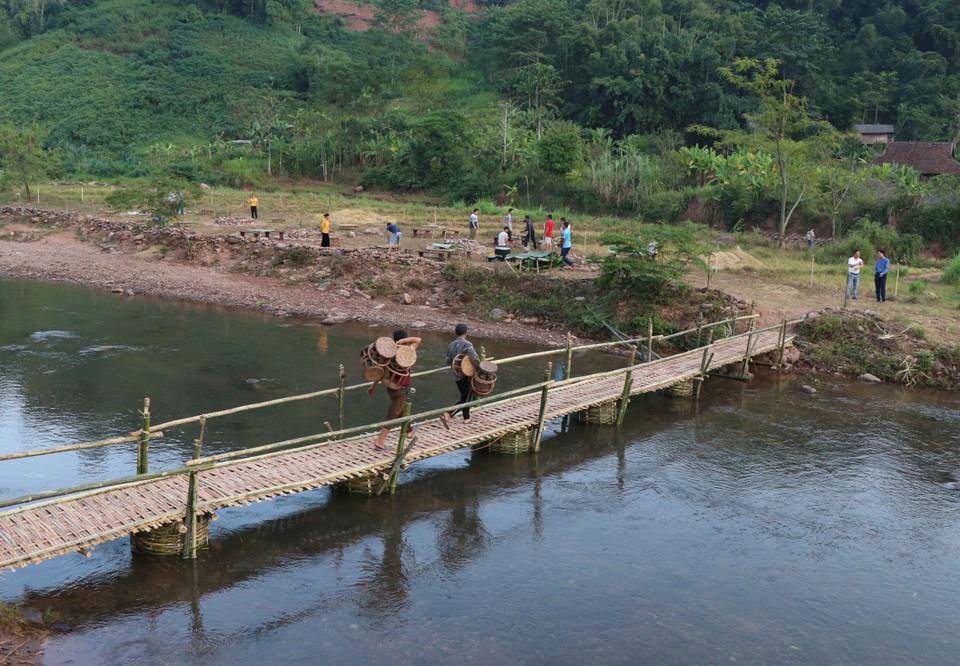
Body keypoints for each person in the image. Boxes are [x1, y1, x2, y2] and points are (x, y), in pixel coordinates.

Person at [367, 330, 421, 450]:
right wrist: (404, 342)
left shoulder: (389, 353)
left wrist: (373, 386)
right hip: (401, 389)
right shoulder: (407, 353)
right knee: (393, 414)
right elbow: (418, 340)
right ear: (404, 340)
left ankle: (410, 430)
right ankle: (379, 441)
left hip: (390, 387)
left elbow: (381, 371)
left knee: (400, 411)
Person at [442, 323, 482, 426]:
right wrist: (479, 367)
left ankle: (467, 418)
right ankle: (449, 414)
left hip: (456, 375)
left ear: (455, 333)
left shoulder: (450, 345)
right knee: (466, 398)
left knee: (465, 396)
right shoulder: (467, 344)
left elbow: (448, 361)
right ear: (466, 333)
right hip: (465, 375)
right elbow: (474, 358)